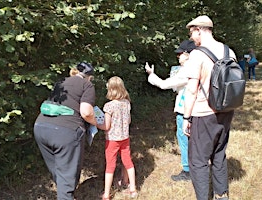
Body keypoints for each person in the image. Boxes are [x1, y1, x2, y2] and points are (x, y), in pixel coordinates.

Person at [182, 15, 236, 200]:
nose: (192, 38)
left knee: (198, 161)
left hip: (203, 113)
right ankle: (221, 195)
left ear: (199, 30)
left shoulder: (198, 55)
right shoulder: (229, 52)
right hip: (227, 110)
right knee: (219, 153)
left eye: (192, 33)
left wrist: (186, 118)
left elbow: (191, 90)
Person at [34, 62, 97, 200]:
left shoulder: (60, 82)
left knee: (58, 170)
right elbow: (86, 112)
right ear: (89, 77)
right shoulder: (87, 85)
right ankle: (66, 196)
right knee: (67, 174)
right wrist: (95, 122)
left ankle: (65, 194)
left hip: (41, 127)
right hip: (65, 132)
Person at [144, 39, 196, 181]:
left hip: (185, 111)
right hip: (197, 110)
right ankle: (197, 167)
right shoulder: (200, 66)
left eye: (180, 53)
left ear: (187, 54)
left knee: (184, 139)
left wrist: (150, 74)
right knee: (195, 140)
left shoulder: (187, 70)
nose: (178, 56)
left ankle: (187, 170)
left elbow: (164, 84)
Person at [97, 76, 137, 200]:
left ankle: (106, 194)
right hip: (125, 138)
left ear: (110, 89)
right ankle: (133, 189)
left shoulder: (109, 106)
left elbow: (106, 125)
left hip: (112, 139)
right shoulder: (126, 103)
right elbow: (129, 120)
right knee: (128, 161)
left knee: (110, 165)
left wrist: (95, 123)